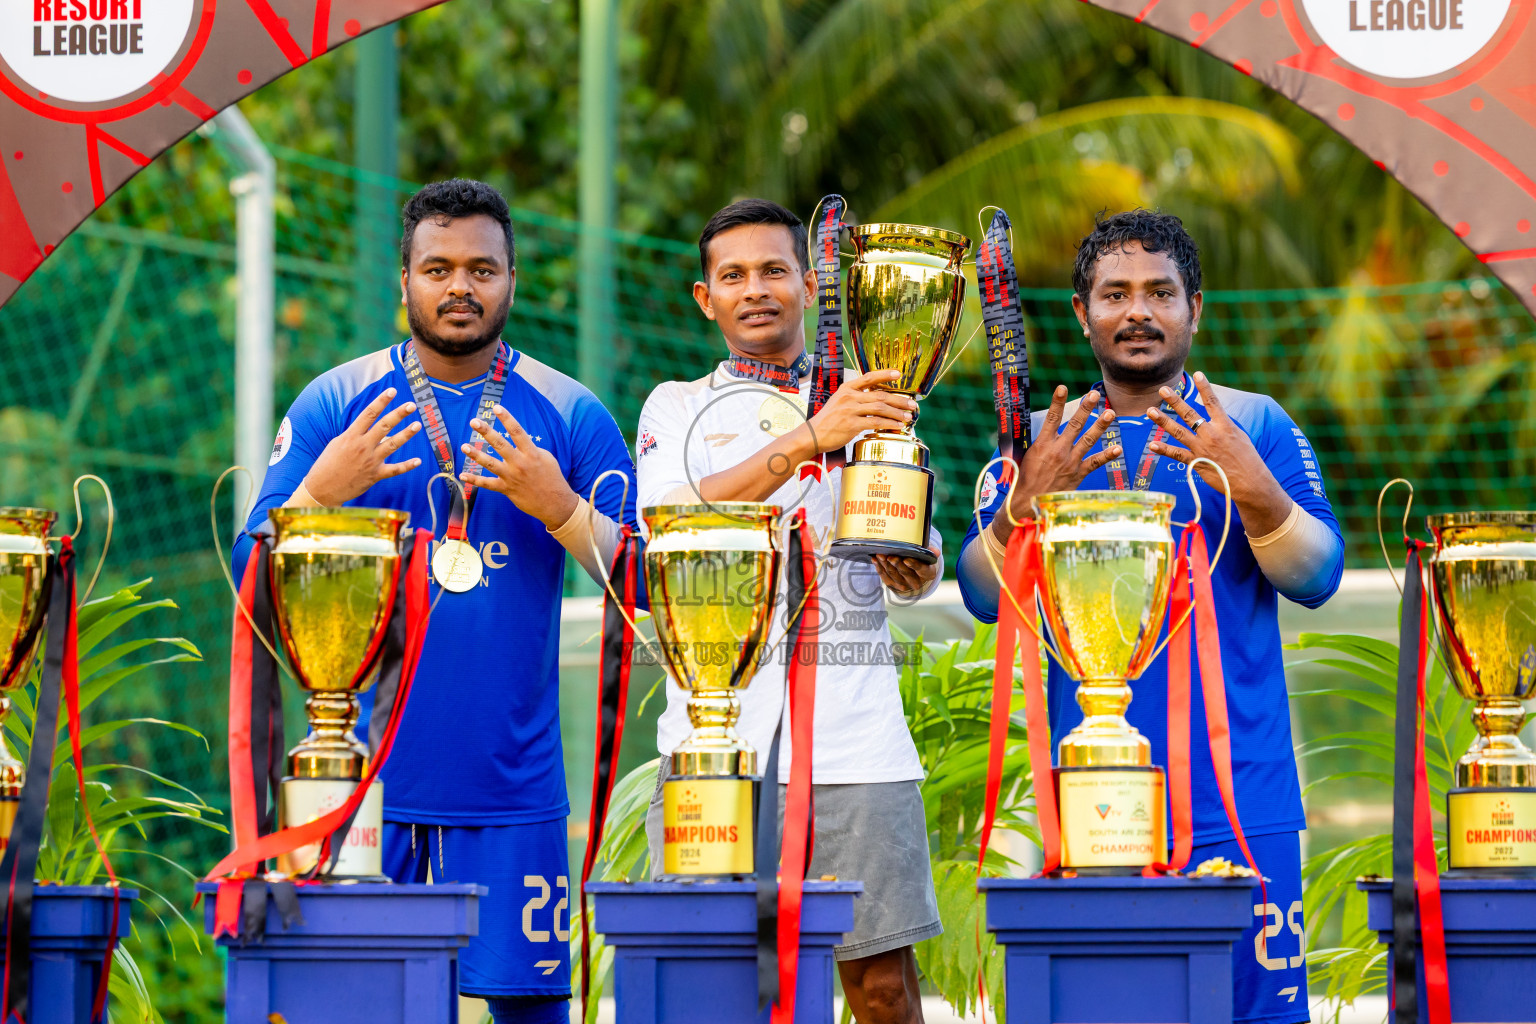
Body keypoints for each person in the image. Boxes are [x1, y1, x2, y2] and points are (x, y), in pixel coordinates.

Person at [235, 179, 637, 1024]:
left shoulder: (571, 413)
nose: (461, 287)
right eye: (439, 267)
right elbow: (248, 582)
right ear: (404, 281)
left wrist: (557, 505)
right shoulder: (337, 403)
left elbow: (644, 590)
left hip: (512, 792)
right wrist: (316, 491)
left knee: (531, 1016)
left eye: (483, 269)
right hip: (359, 781)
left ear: (513, 281)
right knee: (354, 1012)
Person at [956, 210, 1342, 1024]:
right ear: (1081, 312)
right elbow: (982, 598)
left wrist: (1250, 482)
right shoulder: (1042, 437)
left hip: (1241, 801)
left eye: (1161, 292)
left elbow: (1318, 575)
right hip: (1093, 802)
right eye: (1116, 293)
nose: (1139, 312)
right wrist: (1021, 506)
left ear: (1194, 309)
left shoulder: (1254, 422)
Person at [635, 199, 942, 1024]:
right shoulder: (674, 406)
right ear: (706, 299)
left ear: (810, 284)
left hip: (858, 743)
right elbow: (672, 519)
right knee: (714, 989)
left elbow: (914, 557)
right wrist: (812, 435)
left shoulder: (875, 392)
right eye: (732, 276)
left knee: (881, 992)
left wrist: (909, 560)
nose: (755, 290)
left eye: (774, 270)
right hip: (713, 746)